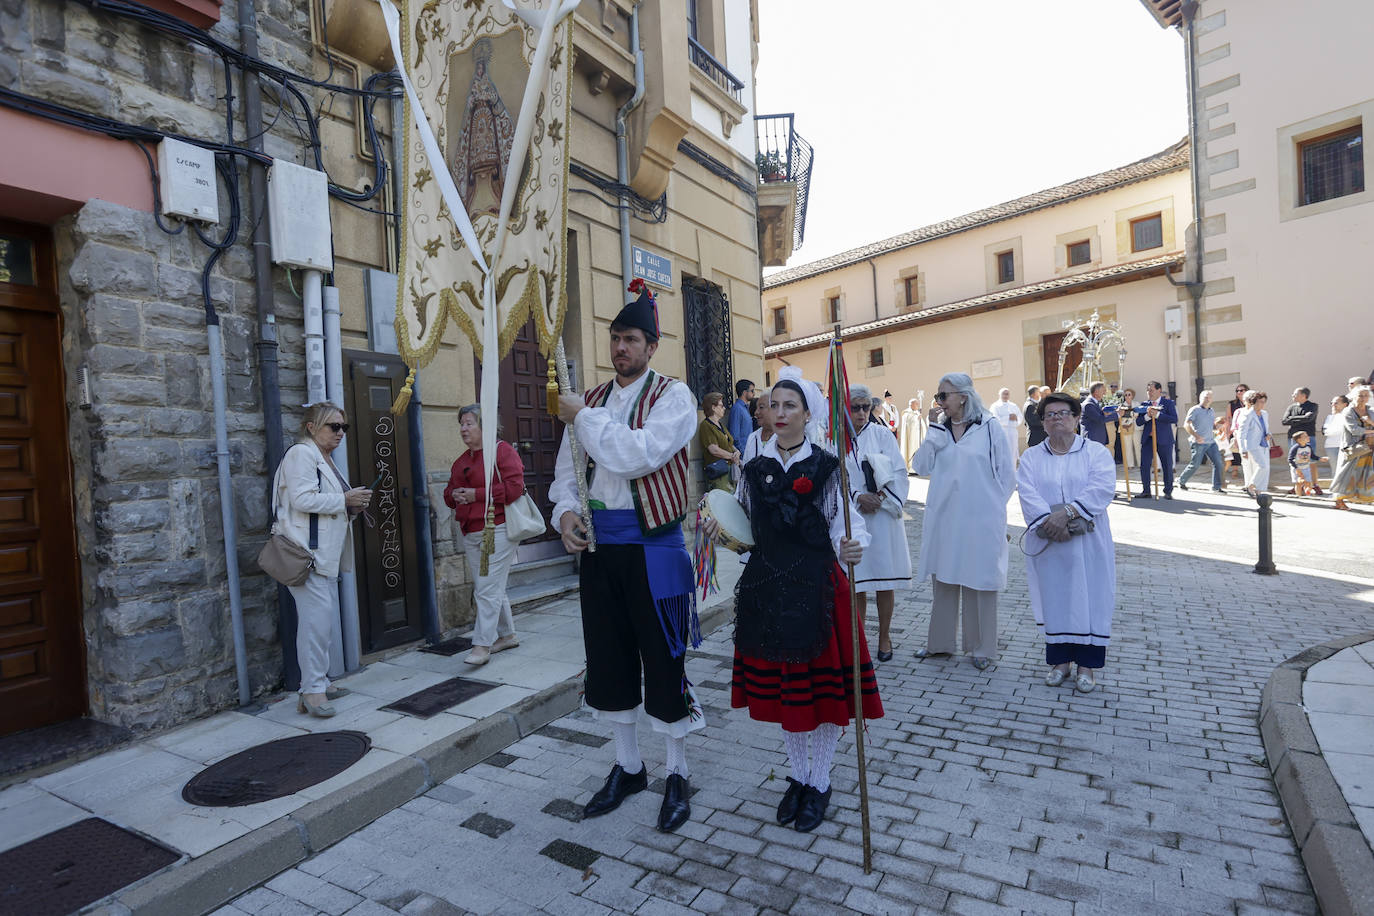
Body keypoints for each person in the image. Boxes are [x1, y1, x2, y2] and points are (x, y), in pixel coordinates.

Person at [550, 281, 701, 834]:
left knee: (664, 664)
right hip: (601, 552)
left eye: (631, 339)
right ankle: (630, 767)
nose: (620, 348)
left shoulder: (673, 398)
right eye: (615, 338)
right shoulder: (588, 401)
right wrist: (565, 515)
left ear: (651, 345)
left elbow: (635, 455)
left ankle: (677, 773)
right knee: (610, 662)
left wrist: (579, 418)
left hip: (653, 550)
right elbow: (569, 473)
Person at [707, 377, 881, 834]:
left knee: (821, 697)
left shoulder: (830, 466)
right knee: (789, 694)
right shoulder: (751, 468)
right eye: (773, 405)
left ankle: (818, 781)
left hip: (818, 591)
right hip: (767, 588)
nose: (779, 412)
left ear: (808, 414)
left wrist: (853, 545)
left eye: (790, 405)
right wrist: (721, 535)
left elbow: (849, 523)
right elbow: (744, 531)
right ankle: (798, 776)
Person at [271, 402, 372, 717]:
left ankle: (319, 682)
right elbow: (302, 499)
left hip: (321, 554)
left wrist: (350, 508)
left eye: (344, 427)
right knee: (316, 623)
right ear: (311, 427)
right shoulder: (302, 454)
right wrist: (344, 499)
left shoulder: (325, 458)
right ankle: (312, 691)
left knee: (321, 621)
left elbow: (323, 505)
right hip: (306, 553)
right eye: (334, 426)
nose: (340, 433)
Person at [909, 373, 1016, 669]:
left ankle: (981, 648)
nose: (939, 401)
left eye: (944, 396)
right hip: (944, 518)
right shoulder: (939, 428)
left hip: (981, 518)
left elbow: (1006, 474)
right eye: (938, 396)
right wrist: (931, 430)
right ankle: (939, 644)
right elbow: (920, 467)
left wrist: (994, 510)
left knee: (980, 580)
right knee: (943, 579)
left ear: (963, 396)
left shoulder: (988, 426)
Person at [1017, 392, 1116, 694]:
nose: (1056, 419)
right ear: (1042, 422)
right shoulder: (1032, 456)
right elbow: (1026, 491)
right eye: (1049, 415)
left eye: (1063, 413)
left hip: (1088, 540)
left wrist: (1068, 514)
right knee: (1056, 598)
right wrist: (1051, 522)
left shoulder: (1095, 452)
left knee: (1090, 598)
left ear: (1076, 418)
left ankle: (1086, 667)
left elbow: (1102, 487)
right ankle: (1060, 663)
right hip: (1050, 541)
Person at [444, 405, 524, 665]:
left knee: (487, 588)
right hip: (471, 531)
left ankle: (481, 645)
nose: (463, 429)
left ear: (485, 425)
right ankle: (508, 635)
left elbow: (514, 488)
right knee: (487, 587)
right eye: (461, 424)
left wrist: (476, 494)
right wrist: (454, 496)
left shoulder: (502, 451)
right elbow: (449, 494)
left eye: (469, 423)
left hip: (497, 529)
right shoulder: (462, 460)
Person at [845, 383, 912, 663]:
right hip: (852, 516)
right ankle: (860, 640)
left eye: (865, 407)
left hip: (882, 515)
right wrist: (858, 496)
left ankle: (885, 635)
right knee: (856, 581)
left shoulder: (883, 434)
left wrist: (880, 497)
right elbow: (834, 477)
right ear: (845, 409)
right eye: (855, 407)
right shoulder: (835, 439)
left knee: (885, 579)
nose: (861, 413)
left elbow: (898, 470)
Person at [1331, 387, 1374, 510]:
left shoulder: (1371, 411)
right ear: (1354, 397)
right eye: (1360, 395)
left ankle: (1363, 497)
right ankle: (1338, 500)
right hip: (1354, 448)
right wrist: (1371, 431)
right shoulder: (1348, 412)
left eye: (1366, 395)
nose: (1363, 398)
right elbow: (1354, 430)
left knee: (1367, 474)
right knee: (1347, 474)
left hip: (1370, 448)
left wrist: (1370, 422)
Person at [1136, 381, 1178, 499]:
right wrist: (1148, 416)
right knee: (1144, 465)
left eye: (1152, 390)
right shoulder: (1144, 404)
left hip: (1164, 439)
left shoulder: (1168, 403)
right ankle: (1146, 491)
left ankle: (1168, 491)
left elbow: (1174, 419)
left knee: (1167, 465)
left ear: (1159, 390)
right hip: (1148, 439)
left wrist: (1158, 415)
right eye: (1148, 390)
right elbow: (1139, 422)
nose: (1149, 393)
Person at [1177, 389, 1224, 492]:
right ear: (1200, 398)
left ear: (1212, 400)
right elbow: (1186, 424)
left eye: (1209, 397)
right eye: (1205, 397)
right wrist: (1196, 436)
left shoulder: (1211, 411)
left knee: (1218, 463)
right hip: (1198, 442)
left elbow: (1211, 426)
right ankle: (1181, 481)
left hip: (1211, 442)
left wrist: (1217, 427)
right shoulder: (1195, 410)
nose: (1207, 399)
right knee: (1195, 464)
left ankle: (1216, 487)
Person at [698, 392, 739, 493]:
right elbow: (713, 449)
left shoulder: (720, 424)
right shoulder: (706, 425)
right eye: (721, 405)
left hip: (729, 469)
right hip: (718, 472)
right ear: (713, 407)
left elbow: (729, 442)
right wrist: (732, 456)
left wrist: (737, 451)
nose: (724, 408)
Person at [1237, 389, 1272, 498]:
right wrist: (1243, 450)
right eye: (1260, 402)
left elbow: (1266, 428)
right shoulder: (1247, 415)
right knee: (1263, 466)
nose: (1262, 404)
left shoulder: (1265, 414)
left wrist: (1269, 434)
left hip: (1264, 444)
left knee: (1266, 468)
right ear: (1254, 402)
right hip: (1253, 445)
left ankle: (1258, 490)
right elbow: (1241, 433)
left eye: (1263, 402)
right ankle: (1251, 485)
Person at [741, 387, 775, 464]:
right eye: (757, 408)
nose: (756, 412)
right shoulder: (752, 437)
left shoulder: (787, 438)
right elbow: (745, 469)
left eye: (761, 407)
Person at [1323, 394, 1350, 486]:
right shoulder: (1329, 417)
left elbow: (1342, 430)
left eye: (1336, 403)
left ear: (1345, 404)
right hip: (1330, 446)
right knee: (1335, 470)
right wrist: (1332, 430)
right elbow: (1324, 431)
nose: (1333, 405)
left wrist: (1331, 430)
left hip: (1345, 446)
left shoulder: (1348, 415)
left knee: (1345, 469)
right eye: (1332, 403)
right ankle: (1337, 492)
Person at [990, 388, 1022, 465]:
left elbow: (1020, 416)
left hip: (1012, 431)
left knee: (1013, 452)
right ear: (999, 395)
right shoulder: (995, 406)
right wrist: (1008, 417)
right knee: (1002, 453)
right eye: (1004, 394)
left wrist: (1016, 418)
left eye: (1007, 394)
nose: (1005, 396)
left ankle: (1013, 472)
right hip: (1002, 431)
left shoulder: (1013, 405)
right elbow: (994, 418)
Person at [1079, 382, 1114, 448]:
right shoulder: (1088, 405)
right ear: (1096, 392)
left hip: (1097, 439)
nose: (1105, 393)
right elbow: (1100, 419)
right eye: (1103, 390)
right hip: (1092, 440)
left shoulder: (1094, 403)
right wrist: (1117, 414)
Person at [1227, 384, 1249, 484]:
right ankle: (1235, 469)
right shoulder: (1232, 404)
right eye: (1237, 391)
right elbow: (1228, 417)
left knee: (1246, 450)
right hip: (1235, 430)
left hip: (1247, 430)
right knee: (1234, 450)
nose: (1239, 392)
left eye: (1241, 390)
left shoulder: (1250, 403)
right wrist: (1228, 431)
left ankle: (1247, 470)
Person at [728, 378, 755, 453]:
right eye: (752, 391)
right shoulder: (737, 408)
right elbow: (734, 435)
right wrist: (742, 452)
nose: (754, 393)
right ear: (744, 392)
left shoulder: (745, 408)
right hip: (742, 454)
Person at [1288, 430, 1318, 498]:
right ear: (1299, 440)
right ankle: (1299, 496)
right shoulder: (1295, 448)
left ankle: (1307, 494)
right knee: (1298, 483)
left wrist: (1320, 458)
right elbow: (1290, 459)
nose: (1308, 437)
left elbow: (1312, 456)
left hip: (1306, 467)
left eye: (1307, 436)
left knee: (1308, 482)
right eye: (1305, 436)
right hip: (1297, 467)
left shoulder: (1308, 446)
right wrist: (1296, 468)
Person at [1117, 388, 1139, 478]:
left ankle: (1140, 463)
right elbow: (1120, 416)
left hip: (1137, 427)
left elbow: (1138, 415)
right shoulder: (1121, 405)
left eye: (1129, 394)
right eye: (1125, 395)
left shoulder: (1137, 404)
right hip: (1126, 427)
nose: (1127, 396)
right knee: (1127, 446)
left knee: (1138, 445)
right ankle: (1130, 464)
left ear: (1132, 395)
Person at [899, 396, 925, 468]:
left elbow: (922, 424)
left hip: (917, 438)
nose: (918, 406)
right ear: (911, 404)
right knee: (911, 452)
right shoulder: (906, 413)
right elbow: (909, 424)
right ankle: (910, 467)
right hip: (910, 438)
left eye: (918, 404)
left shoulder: (917, 413)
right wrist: (917, 419)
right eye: (916, 404)